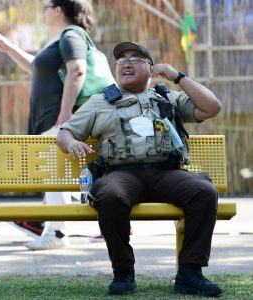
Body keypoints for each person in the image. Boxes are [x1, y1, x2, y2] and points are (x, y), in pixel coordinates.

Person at [56, 41, 223, 297]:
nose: (127, 63)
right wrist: (72, 143)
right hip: (121, 174)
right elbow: (65, 132)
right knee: (110, 195)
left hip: (166, 173)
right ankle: (123, 272)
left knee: (203, 192)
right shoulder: (100, 101)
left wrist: (176, 76)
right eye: (121, 59)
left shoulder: (168, 97)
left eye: (136, 58)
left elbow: (212, 107)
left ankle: (190, 273)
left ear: (151, 68)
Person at [0, 0, 99, 250]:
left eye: (45, 7)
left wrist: (65, 112)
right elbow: (35, 67)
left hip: (57, 119)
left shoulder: (70, 35)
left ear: (58, 10)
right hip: (50, 119)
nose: (43, 12)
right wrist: (9, 48)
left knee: (54, 173)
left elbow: (78, 70)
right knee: (54, 174)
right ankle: (56, 229)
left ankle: (58, 232)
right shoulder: (57, 39)